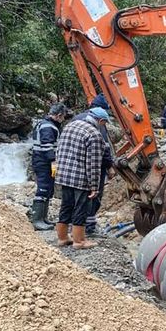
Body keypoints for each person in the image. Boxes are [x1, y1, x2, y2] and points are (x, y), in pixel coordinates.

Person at [54, 107, 107, 250]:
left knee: (66, 206)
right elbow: (94, 164)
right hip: (80, 178)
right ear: (100, 121)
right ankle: (79, 241)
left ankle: (63, 238)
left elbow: (58, 150)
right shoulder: (94, 135)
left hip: (64, 175)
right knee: (81, 208)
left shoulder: (69, 126)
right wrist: (94, 187)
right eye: (104, 123)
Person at [77, 94, 115, 234]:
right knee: (94, 195)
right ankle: (89, 228)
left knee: (78, 197)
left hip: (76, 166)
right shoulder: (98, 124)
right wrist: (109, 165)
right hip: (94, 166)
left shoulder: (76, 119)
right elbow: (104, 148)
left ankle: (76, 226)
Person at [29, 103, 68, 231]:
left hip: (41, 161)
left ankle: (43, 218)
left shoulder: (45, 123)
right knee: (44, 189)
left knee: (48, 189)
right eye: (63, 117)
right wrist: (53, 161)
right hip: (43, 162)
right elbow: (47, 146)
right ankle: (37, 220)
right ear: (59, 115)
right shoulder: (48, 126)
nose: (63, 119)